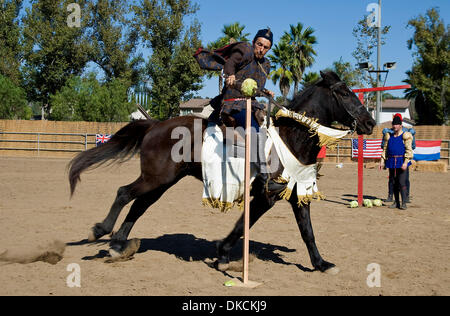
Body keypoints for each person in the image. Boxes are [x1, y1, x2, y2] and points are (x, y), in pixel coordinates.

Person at [379, 114, 414, 210]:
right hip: (391, 161)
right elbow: (385, 149)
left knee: (402, 182)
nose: (395, 126)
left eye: (397, 124)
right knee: (393, 182)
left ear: (400, 125)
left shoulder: (405, 136)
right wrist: (382, 161)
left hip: (401, 162)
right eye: (394, 124)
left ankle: (404, 203)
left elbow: (409, 150)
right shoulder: (388, 136)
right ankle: (396, 202)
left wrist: (405, 162)